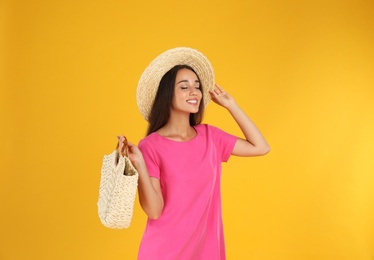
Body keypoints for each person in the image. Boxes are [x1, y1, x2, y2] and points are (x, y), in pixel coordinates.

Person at [117, 47, 270, 260]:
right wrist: (140, 165)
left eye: (197, 87)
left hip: (206, 253)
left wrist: (231, 105)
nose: (194, 92)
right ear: (167, 93)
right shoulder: (150, 146)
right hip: (163, 253)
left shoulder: (211, 137)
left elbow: (261, 147)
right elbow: (154, 211)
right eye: (184, 87)